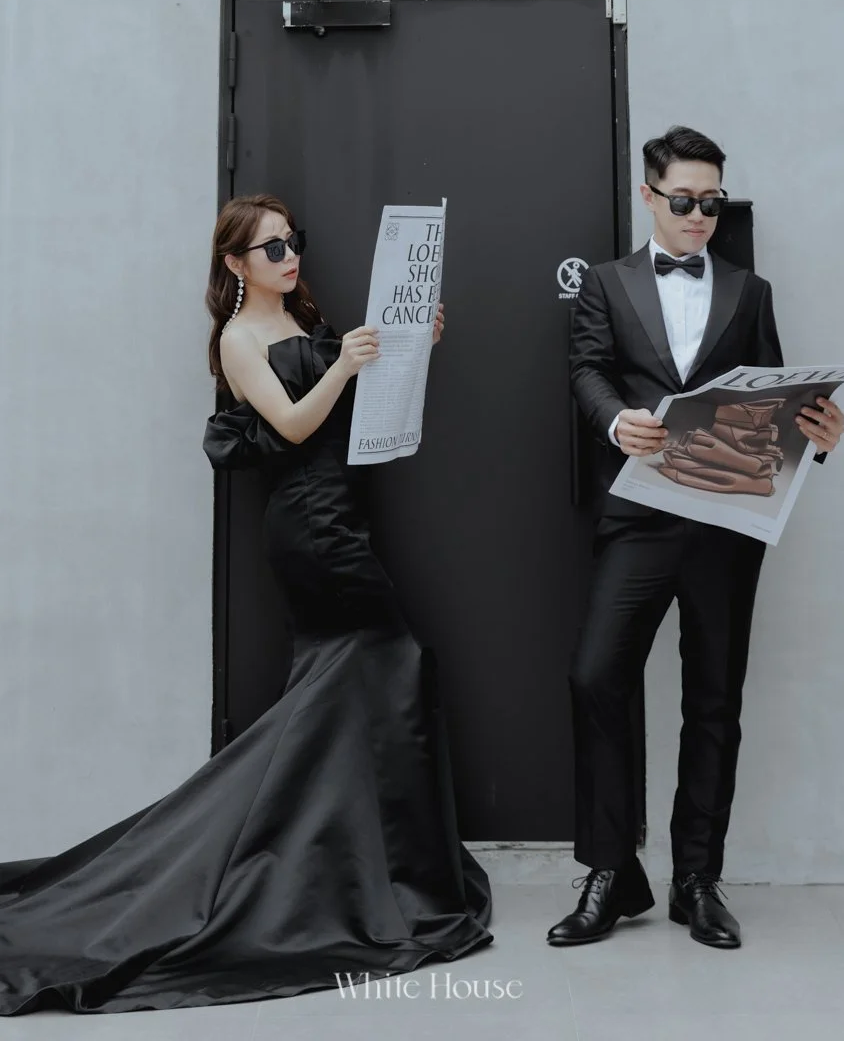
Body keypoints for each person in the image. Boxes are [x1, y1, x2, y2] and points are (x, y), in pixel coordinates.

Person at [0, 193, 492, 1014]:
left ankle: (353, 868)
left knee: (356, 689)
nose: (288, 257)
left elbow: (354, 411)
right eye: (270, 249)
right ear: (234, 264)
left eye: (291, 242)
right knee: (384, 667)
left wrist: (410, 346)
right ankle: (351, 870)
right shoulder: (238, 339)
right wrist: (345, 364)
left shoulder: (304, 320)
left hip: (341, 514)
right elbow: (293, 426)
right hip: (310, 526)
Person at [547, 126, 844, 951]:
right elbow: (584, 370)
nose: (698, 217)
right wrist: (617, 422)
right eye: (683, 201)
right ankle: (611, 872)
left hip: (725, 521)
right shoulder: (605, 284)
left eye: (711, 203)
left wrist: (820, 434)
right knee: (594, 676)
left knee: (713, 699)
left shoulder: (750, 292)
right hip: (637, 516)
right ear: (648, 196)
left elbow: (778, 401)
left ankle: (696, 881)